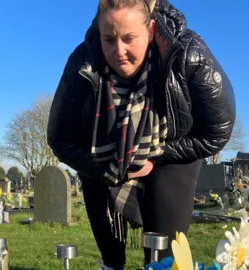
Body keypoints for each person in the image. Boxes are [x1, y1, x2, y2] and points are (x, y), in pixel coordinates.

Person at [47, 0, 235, 269]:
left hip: (172, 152)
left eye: (129, 38)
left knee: (166, 254)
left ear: (151, 29)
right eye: (108, 39)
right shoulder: (82, 61)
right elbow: (60, 138)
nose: (119, 51)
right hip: (102, 158)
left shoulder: (189, 54)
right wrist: (102, 169)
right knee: (110, 253)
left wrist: (157, 155)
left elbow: (217, 132)